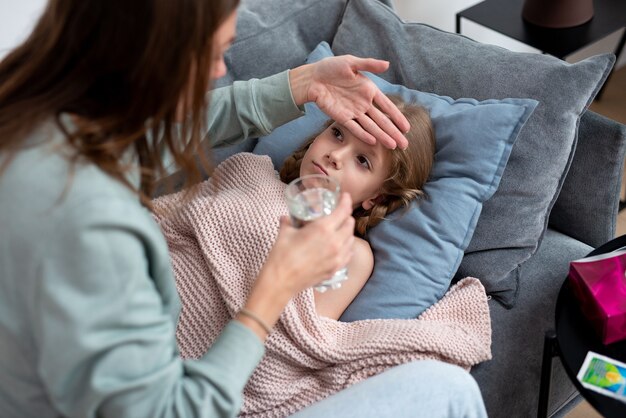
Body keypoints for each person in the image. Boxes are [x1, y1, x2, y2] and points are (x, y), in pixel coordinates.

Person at [0, 1, 487, 418]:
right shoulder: (96, 218)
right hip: (185, 378)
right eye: (214, 54)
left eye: (362, 159)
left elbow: (302, 340)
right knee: (451, 393)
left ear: (376, 198)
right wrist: (274, 287)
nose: (219, 71)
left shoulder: (38, 122)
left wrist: (301, 84)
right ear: (153, 55)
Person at [279, 96, 436, 319]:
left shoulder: (350, 254)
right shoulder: (252, 170)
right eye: (338, 133)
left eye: (362, 160)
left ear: (377, 198)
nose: (335, 156)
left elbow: (304, 331)